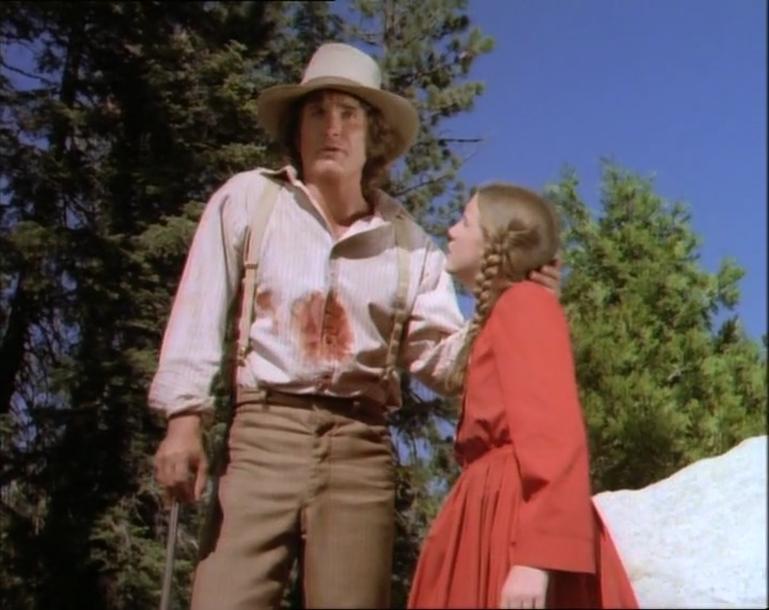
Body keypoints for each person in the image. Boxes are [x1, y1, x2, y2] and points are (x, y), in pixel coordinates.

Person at [149, 43, 560, 609]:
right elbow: (199, 306)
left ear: (375, 138)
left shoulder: (408, 242)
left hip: (360, 445)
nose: (332, 129)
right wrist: (183, 419)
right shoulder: (250, 200)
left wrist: (508, 299)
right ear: (297, 129)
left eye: (349, 115)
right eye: (317, 113)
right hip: (263, 433)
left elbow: (444, 362)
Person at [407, 183, 638, 609]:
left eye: (465, 221)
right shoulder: (505, 313)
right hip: (487, 510)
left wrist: (536, 559)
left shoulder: (526, 304)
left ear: (496, 240)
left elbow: (555, 436)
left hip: (515, 521)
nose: (451, 230)